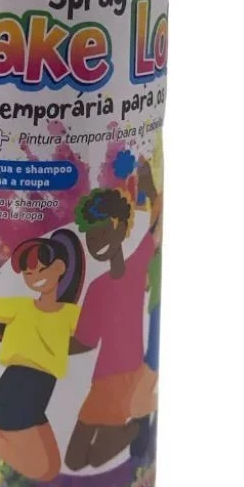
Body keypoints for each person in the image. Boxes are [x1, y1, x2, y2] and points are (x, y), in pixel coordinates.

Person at [0, 229, 84, 481]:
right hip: (16, 392)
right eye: (29, 273)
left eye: (41, 269)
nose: (35, 277)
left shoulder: (70, 314)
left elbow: (96, 327)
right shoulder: (21, 307)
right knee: (41, 469)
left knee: (50, 466)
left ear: (59, 268)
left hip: (36, 394)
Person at [65, 160, 162, 470]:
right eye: (91, 238)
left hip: (121, 375)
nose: (96, 242)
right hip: (102, 379)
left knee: (88, 459)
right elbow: (86, 341)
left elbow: (158, 226)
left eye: (102, 232)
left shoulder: (136, 264)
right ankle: (135, 426)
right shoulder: (96, 287)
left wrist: (149, 187)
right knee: (75, 460)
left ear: (120, 228)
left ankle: (135, 428)